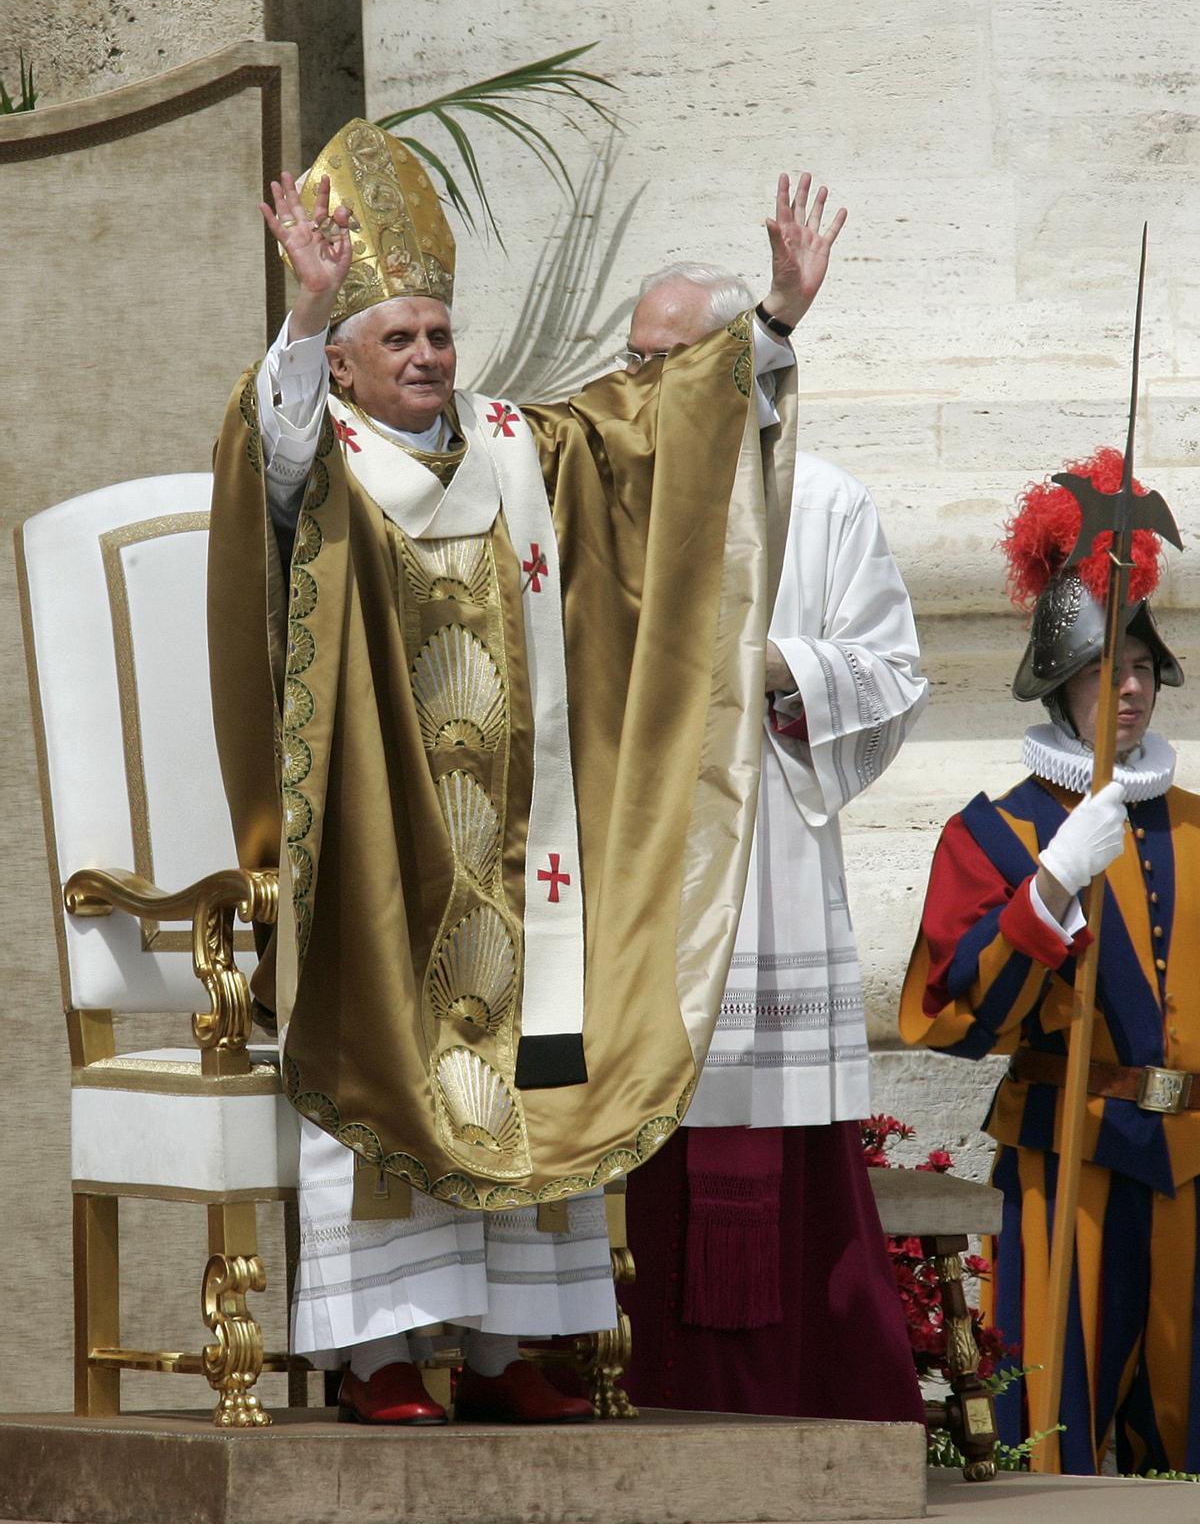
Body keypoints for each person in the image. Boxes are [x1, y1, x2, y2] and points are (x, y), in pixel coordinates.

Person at [207, 118, 842, 1424]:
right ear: (341, 362)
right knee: (398, 1042)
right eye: (400, 338)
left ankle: (511, 1349)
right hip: (385, 845)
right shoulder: (322, 460)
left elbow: (648, 438)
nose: (431, 356)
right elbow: (265, 461)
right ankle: (380, 1347)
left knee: (546, 1034)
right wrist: (305, 308)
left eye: (440, 333)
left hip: (530, 845)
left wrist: (770, 320)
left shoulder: (518, 444)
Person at [615, 261, 929, 1421]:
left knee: (774, 1164)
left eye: (662, 358)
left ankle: (806, 1422)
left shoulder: (828, 503)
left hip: (766, 879)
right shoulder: (596, 500)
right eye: (633, 355)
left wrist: (778, 670)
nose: (637, 377)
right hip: (627, 884)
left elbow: (895, 675)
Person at [900, 448, 1199, 1474]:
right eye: (1102, 670)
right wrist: (1050, 888)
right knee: (1049, 1444)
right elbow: (958, 1019)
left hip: (1194, 1175)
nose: (1127, 689)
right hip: (1061, 1164)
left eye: (1142, 669)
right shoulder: (993, 836)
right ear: (1059, 683)